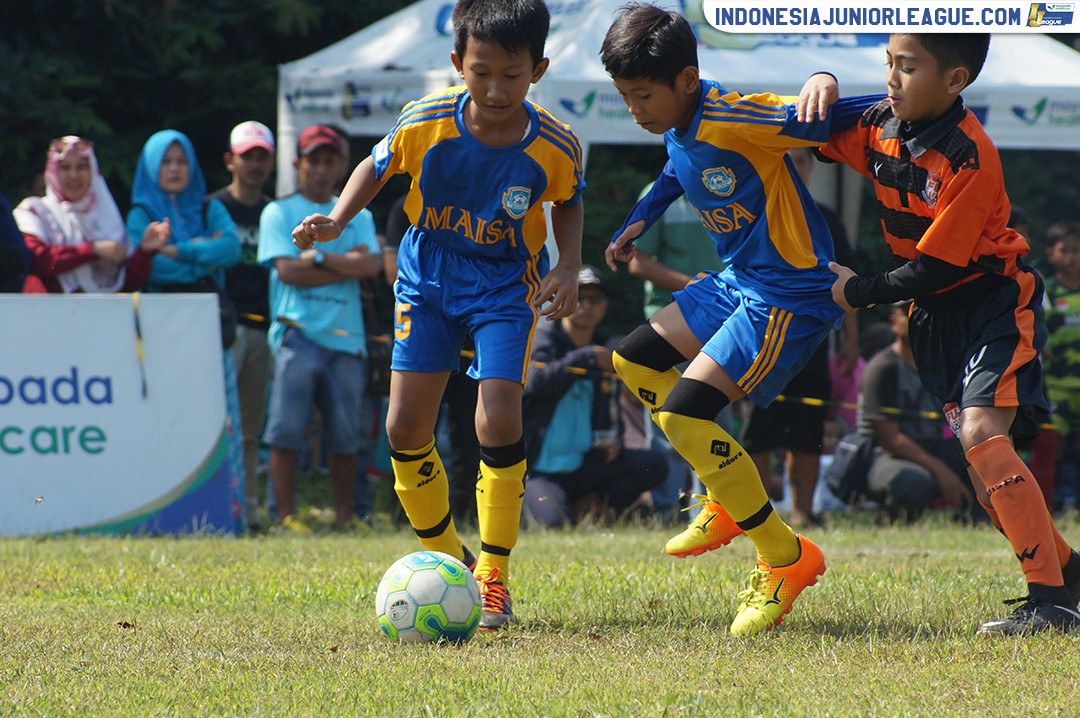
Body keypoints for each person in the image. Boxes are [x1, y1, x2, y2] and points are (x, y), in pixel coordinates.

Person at [292, 0, 585, 631]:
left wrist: (566, 266)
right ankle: (450, 560)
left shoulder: (556, 143)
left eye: (512, 74)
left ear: (538, 69)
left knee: (500, 414)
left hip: (508, 284)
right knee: (403, 427)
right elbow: (376, 167)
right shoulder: (425, 121)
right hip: (427, 279)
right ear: (458, 64)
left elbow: (567, 200)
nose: (495, 88)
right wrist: (338, 220)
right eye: (481, 72)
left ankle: (494, 575)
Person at [599, 3, 876, 636]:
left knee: (683, 415)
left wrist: (825, 77)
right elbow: (675, 166)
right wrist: (635, 222)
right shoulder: (677, 121)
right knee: (632, 359)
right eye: (625, 97)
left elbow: (832, 115)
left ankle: (785, 555)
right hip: (736, 282)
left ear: (687, 81)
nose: (635, 110)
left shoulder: (734, 116)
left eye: (643, 95)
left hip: (787, 295)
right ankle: (727, 492)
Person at [819, 33, 1080, 634]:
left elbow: (940, 265)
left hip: (990, 301)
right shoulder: (881, 125)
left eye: (907, 67)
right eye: (888, 63)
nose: (890, 78)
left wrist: (856, 290)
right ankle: (1066, 574)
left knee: (986, 438)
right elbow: (806, 129)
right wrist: (821, 81)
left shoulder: (971, 155)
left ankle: (1051, 605)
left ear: (955, 80)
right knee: (983, 477)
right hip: (930, 318)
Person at [258, 124, 383, 532]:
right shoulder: (277, 212)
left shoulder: (358, 213)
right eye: (313, 160)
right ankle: (285, 517)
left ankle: (347, 517)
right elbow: (287, 272)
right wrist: (340, 260)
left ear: (343, 167)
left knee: (347, 436)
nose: (321, 169)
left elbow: (371, 267)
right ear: (297, 164)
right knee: (286, 432)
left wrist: (315, 258)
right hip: (297, 336)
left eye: (330, 161)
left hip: (346, 341)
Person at [739, 146, 862, 529]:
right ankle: (755, 517)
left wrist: (850, 339)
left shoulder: (826, 219)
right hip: (762, 338)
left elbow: (848, 281)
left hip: (813, 339)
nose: (799, 169)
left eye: (804, 163)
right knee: (759, 430)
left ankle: (802, 513)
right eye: (790, 163)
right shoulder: (755, 215)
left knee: (807, 432)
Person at [523, 266, 667, 527]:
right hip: (540, 469)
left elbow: (611, 405)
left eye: (595, 299)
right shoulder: (543, 338)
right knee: (554, 524)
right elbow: (535, 384)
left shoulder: (607, 346)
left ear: (605, 306)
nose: (586, 305)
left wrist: (615, 441)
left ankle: (598, 505)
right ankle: (573, 508)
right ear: (563, 298)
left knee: (655, 464)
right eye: (579, 297)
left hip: (586, 463)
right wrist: (585, 357)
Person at [626, 185, 726, 522]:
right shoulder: (658, 194)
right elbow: (637, 261)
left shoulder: (729, 187)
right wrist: (697, 287)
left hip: (724, 318)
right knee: (667, 422)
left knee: (717, 421)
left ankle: (718, 509)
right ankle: (666, 509)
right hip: (672, 321)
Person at [208, 121, 277, 532]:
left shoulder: (274, 210)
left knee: (251, 429)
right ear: (229, 160)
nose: (254, 164)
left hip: (264, 330)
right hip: (222, 331)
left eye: (261, 156)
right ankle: (214, 506)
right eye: (246, 155)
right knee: (217, 423)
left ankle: (248, 511)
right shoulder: (213, 208)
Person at [855, 301, 972, 522]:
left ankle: (977, 521)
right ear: (893, 322)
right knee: (912, 481)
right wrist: (940, 470)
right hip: (884, 455)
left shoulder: (937, 365)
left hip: (932, 447)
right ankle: (892, 521)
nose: (920, 318)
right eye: (910, 313)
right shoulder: (883, 367)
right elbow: (889, 438)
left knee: (984, 460)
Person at [16, 137, 167, 294]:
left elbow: (122, 286)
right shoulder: (34, 211)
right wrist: (92, 250)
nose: (74, 176)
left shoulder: (106, 215)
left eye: (81, 167)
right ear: (53, 171)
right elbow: (37, 262)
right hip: (48, 315)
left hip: (99, 316)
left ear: (93, 172)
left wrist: (145, 252)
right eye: (65, 168)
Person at [1042, 221, 1080, 513]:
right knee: (1055, 441)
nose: (1071, 257)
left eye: (1077, 251)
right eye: (1064, 250)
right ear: (1050, 254)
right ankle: (1052, 498)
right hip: (1057, 383)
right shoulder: (1047, 291)